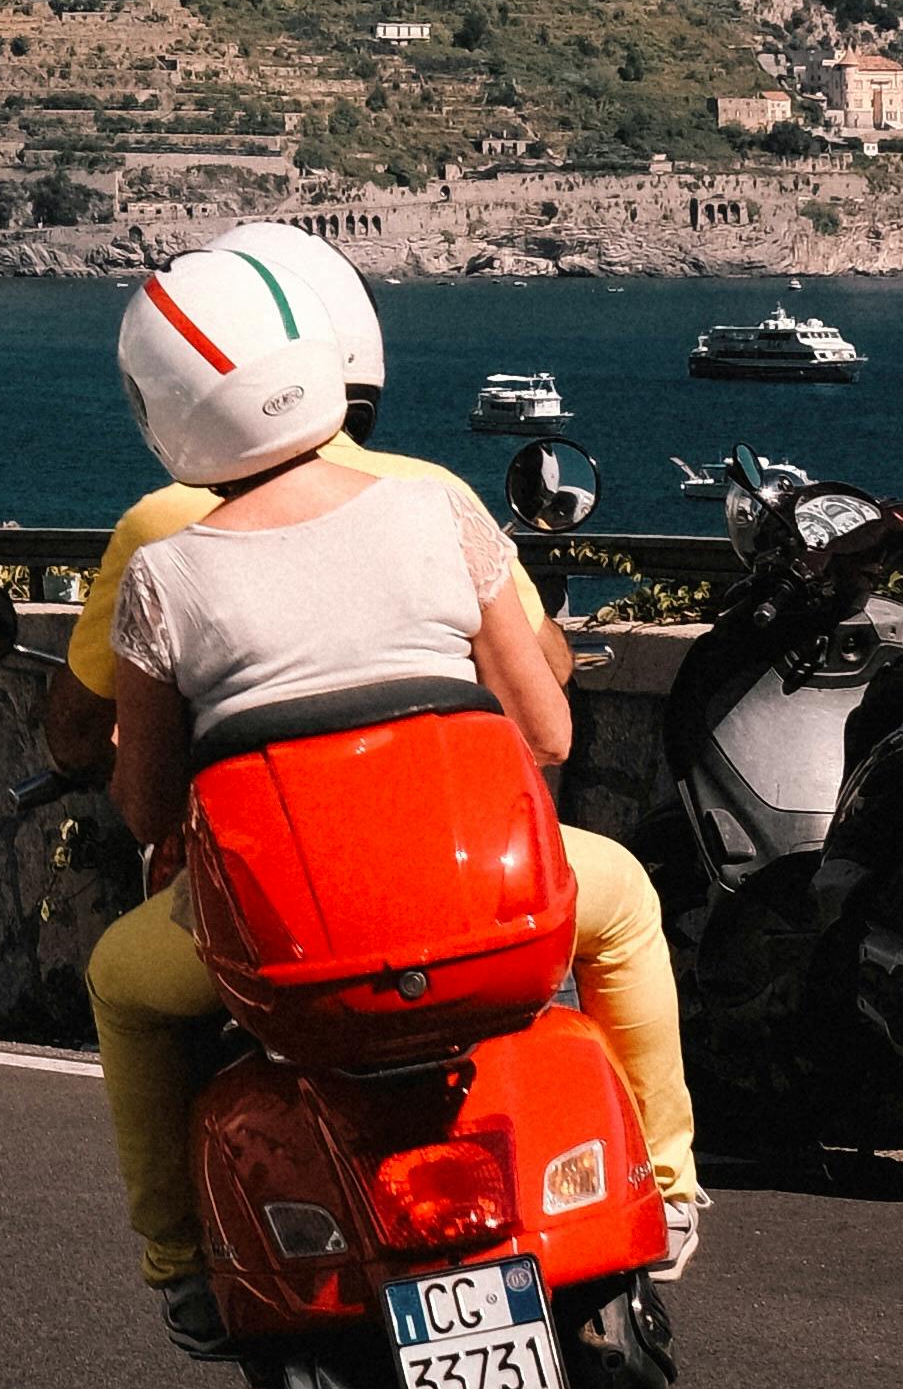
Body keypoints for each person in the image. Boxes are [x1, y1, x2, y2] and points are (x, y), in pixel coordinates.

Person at [47, 219, 699, 1283]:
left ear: (158, 405)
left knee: (122, 983)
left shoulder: (164, 576)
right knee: (620, 901)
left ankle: (174, 1258)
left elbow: (148, 809)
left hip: (292, 947)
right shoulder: (437, 504)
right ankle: (665, 1192)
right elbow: (546, 730)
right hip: (479, 917)